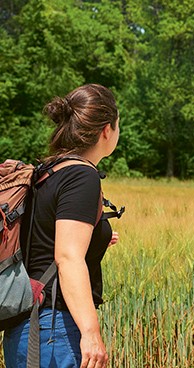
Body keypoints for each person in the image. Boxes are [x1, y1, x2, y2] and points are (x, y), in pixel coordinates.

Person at [3, 84, 121, 368]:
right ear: (107, 130)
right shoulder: (82, 176)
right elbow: (67, 257)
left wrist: (97, 237)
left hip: (25, 328)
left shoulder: (48, 172)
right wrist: (91, 333)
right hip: (53, 329)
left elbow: (42, 237)